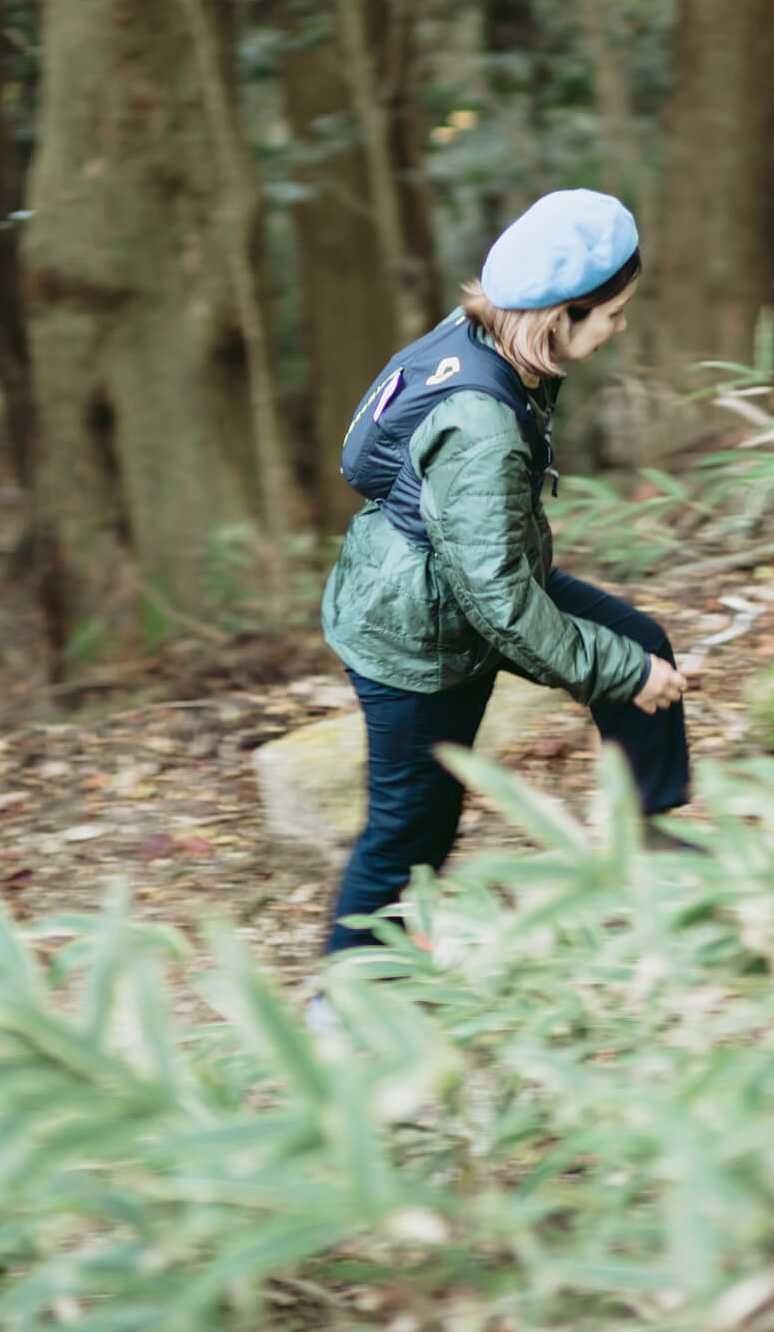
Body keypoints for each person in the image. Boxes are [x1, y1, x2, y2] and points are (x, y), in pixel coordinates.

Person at [315, 188, 698, 972]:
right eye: (613, 314)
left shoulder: (485, 334)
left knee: (640, 641)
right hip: (419, 640)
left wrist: (627, 662)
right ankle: (345, 1001)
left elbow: (490, 573)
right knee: (410, 835)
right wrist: (624, 672)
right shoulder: (483, 425)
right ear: (560, 314)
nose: (620, 327)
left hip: (468, 582)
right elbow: (502, 607)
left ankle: (649, 848)